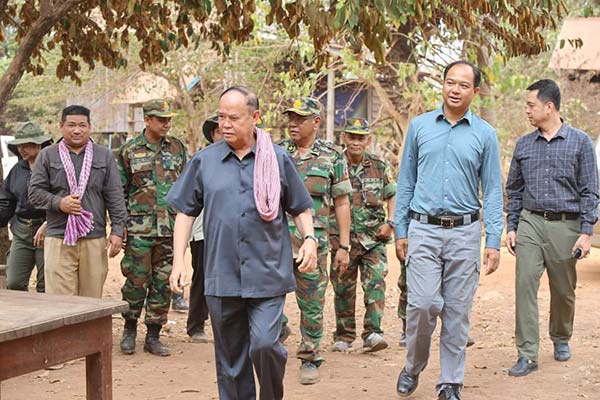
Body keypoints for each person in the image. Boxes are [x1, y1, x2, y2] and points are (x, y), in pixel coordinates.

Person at [168, 86, 317, 400]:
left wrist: (310, 239)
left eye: (233, 118)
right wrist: (179, 260)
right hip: (221, 274)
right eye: (221, 116)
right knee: (231, 362)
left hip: (268, 273)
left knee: (265, 345)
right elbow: (185, 212)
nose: (225, 124)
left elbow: (300, 207)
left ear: (255, 117)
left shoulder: (277, 158)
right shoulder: (205, 161)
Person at [394, 60, 503, 400]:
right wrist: (401, 229)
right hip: (423, 229)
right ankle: (413, 365)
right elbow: (406, 181)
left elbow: (493, 190)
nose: (455, 89)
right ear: (442, 85)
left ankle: (450, 382)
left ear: (475, 91)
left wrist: (493, 239)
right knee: (422, 304)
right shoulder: (420, 127)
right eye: (450, 82)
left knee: (457, 312)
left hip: (464, 233)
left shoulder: (485, 134)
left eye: (463, 85)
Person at [505, 79, 599, 377]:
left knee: (563, 290)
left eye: (530, 105)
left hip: (566, 225)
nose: (526, 110)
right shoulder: (524, 144)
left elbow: (590, 190)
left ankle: (561, 336)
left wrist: (586, 232)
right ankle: (527, 353)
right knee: (524, 284)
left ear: (549, 107)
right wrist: (512, 225)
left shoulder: (580, 142)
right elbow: (514, 189)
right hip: (530, 222)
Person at [278, 97, 352, 385]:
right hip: (277, 241)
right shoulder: (277, 152)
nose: (293, 124)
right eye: (291, 118)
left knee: (311, 302)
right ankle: (278, 330)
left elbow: (342, 203)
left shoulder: (332, 156)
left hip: (313, 243)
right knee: (266, 294)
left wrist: (343, 246)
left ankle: (309, 356)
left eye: (300, 119)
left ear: (316, 122)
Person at [29, 105, 127, 298]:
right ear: (61, 126)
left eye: (82, 125)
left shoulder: (104, 155)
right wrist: (59, 203)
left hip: (94, 237)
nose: (77, 130)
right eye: (71, 125)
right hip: (59, 237)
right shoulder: (48, 155)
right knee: (61, 301)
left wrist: (117, 230)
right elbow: (34, 193)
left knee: (91, 299)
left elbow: (115, 195)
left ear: (89, 127)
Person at [117, 99, 187, 357]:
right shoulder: (129, 150)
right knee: (135, 281)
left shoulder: (178, 148)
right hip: (140, 229)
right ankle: (129, 329)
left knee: (163, 283)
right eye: (161, 119)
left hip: (170, 229)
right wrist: (120, 225)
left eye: (169, 119)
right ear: (147, 120)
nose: (166, 124)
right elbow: (120, 191)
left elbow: (186, 187)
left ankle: (153, 335)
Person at [329, 118, 396, 353]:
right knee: (343, 289)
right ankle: (344, 335)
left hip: (373, 238)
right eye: (352, 137)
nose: (356, 142)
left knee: (375, 284)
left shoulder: (378, 165)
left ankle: (373, 333)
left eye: (361, 137)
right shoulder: (334, 165)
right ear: (344, 138)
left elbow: (392, 194)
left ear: (368, 140)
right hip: (342, 240)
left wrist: (390, 223)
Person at [0, 122, 52, 292]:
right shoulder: (17, 169)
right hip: (21, 231)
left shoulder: (53, 168)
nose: (21, 149)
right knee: (14, 282)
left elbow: (62, 198)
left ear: (39, 145)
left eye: (26, 145)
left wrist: (48, 223)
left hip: (48, 231)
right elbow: (7, 200)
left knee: (46, 285)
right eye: (19, 145)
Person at [186, 114, 223, 344]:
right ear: (212, 135)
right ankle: (196, 325)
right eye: (218, 131)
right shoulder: (202, 161)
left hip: (233, 233)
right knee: (202, 278)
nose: (224, 133)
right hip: (203, 232)